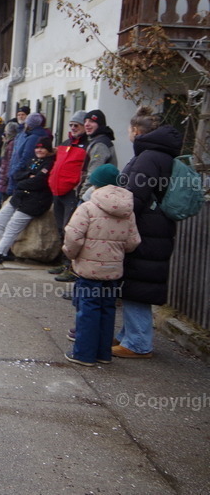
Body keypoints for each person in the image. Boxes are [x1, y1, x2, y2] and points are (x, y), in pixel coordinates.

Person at [114, 108, 183, 359]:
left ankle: (138, 343)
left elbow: (135, 198)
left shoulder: (148, 157)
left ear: (135, 130)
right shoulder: (162, 155)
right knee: (138, 282)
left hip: (146, 229)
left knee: (137, 284)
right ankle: (127, 335)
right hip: (157, 229)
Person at [62, 163, 140, 366]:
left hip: (89, 271)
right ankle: (102, 353)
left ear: (96, 185)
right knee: (108, 310)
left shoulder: (87, 208)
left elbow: (73, 236)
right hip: (113, 271)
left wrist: (71, 256)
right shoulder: (128, 211)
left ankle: (83, 354)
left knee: (88, 312)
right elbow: (133, 242)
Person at [0, 136, 55, 266]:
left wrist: (23, 181)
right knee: (0, 219)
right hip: (20, 197)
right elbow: (16, 175)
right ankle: (7, 251)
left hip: (35, 201)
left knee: (12, 226)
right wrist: (27, 176)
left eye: (42, 148)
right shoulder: (33, 160)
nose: (39, 150)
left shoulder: (49, 163)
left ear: (48, 149)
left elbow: (38, 182)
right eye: (37, 147)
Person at [48, 111, 89, 280]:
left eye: (76, 125)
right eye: (71, 125)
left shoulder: (88, 145)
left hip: (71, 192)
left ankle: (71, 266)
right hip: (58, 192)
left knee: (70, 230)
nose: (73, 128)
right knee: (60, 229)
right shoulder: (65, 143)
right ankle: (63, 262)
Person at [77, 109, 117, 202]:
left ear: (100, 124)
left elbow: (93, 173)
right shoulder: (96, 141)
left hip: (94, 196)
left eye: (91, 121)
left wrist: (83, 195)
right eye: (85, 121)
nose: (87, 124)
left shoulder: (100, 145)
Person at [0, 120, 19, 203]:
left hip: (6, 174)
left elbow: (9, 160)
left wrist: (6, 176)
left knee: (6, 198)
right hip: (5, 173)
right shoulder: (9, 142)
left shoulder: (12, 143)